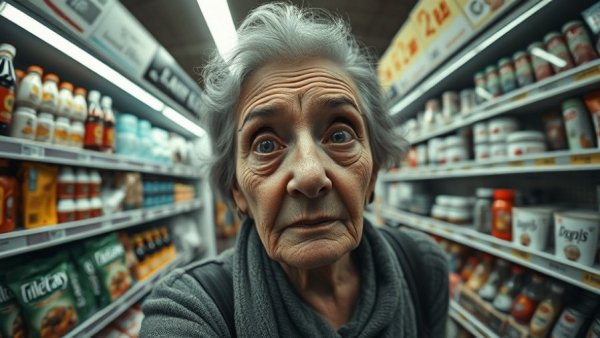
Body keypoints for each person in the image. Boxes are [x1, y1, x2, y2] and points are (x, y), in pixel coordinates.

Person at [140, 3, 448, 337]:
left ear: (373, 173)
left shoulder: (423, 266)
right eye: (266, 145)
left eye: (340, 135)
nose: (310, 175)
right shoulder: (191, 309)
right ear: (237, 191)